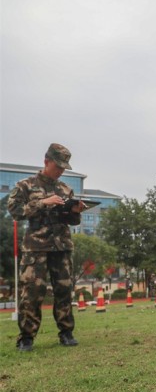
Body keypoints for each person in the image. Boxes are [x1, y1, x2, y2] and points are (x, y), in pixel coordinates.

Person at [8, 143, 85, 352]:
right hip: (36, 248)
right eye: (58, 166)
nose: (60, 171)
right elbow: (15, 211)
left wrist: (76, 211)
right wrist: (43, 202)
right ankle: (26, 338)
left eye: (63, 168)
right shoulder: (25, 185)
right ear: (46, 161)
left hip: (61, 246)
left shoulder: (65, 189)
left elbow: (71, 221)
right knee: (32, 292)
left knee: (64, 291)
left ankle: (66, 333)